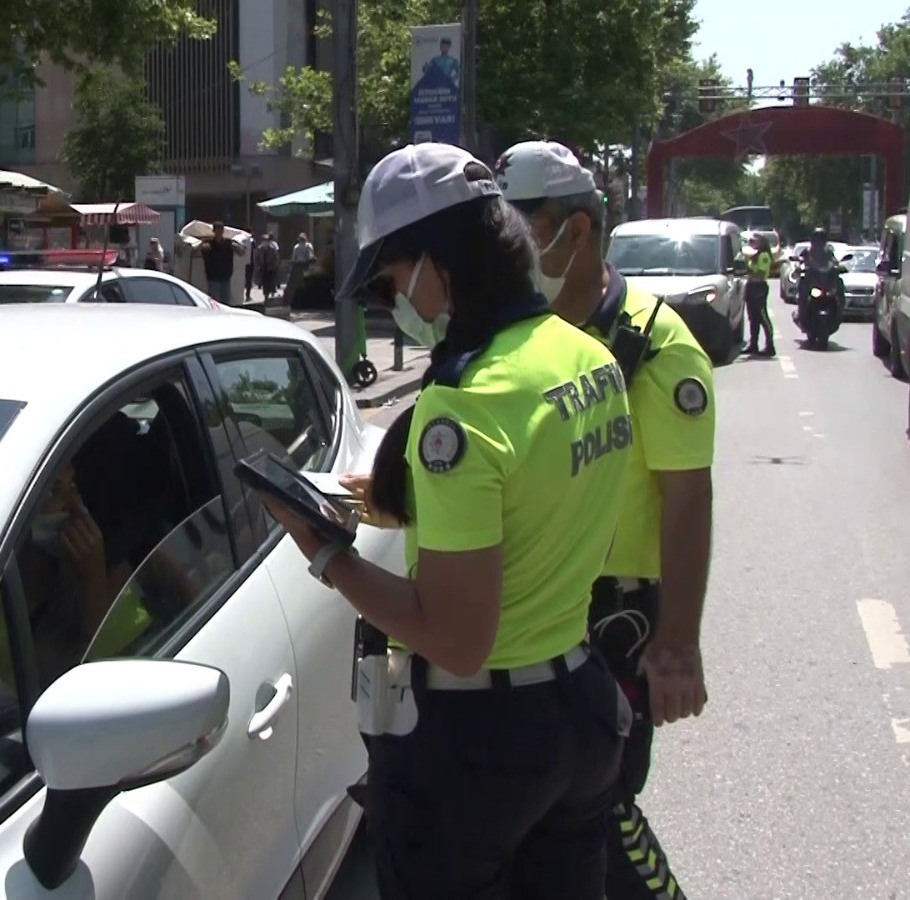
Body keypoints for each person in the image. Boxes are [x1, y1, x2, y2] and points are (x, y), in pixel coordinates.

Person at [255, 142, 634, 897]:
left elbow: (459, 641)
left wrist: (328, 554)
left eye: (395, 277)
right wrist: (401, 503)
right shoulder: (587, 358)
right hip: (581, 708)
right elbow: (536, 503)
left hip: (484, 746)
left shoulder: (461, 410)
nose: (398, 298)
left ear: (438, 263)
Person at [497, 139, 713, 900]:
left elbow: (688, 499)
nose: (510, 249)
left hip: (611, 619)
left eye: (524, 230)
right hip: (526, 607)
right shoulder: (518, 335)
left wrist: (677, 644)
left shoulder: (655, 347)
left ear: (577, 230)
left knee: (602, 810)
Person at [742, 233, 776, 357]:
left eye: (754, 241)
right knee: (753, 318)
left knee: (763, 317)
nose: (751, 243)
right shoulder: (753, 256)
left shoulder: (763, 256)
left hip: (759, 288)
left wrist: (748, 272)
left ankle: (770, 346)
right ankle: (753, 345)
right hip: (751, 286)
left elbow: (761, 274)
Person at [198, 222, 244, 306]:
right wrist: (203, 247)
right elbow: (199, 249)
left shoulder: (228, 243)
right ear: (214, 231)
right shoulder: (209, 244)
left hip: (225, 278)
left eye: (220, 230)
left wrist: (238, 248)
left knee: (225, 303)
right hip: (213, 278)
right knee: (214, 304)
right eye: (217, 230)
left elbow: (241, 252)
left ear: (223, 231)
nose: (219, 232)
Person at [255, 231, 281, 301]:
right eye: (264, 241)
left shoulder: (272, 249)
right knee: (264, 282)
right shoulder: (259, 249)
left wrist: (275, 266)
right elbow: (256, 258)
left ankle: (270, 293)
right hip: (262, 268)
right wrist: (258, 266)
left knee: (270, 281)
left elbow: (276, 258)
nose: (265, 243)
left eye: (267, 241)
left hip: (271, 268)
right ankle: (266, 295)